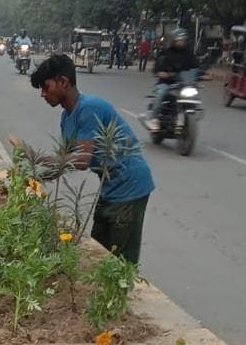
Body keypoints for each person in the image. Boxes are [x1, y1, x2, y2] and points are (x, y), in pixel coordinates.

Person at [31, 53, 154, 264]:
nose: (43, 94)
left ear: (63, 82)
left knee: (119, 261)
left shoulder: (90, 108)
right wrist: (32, 175)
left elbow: (80, 160)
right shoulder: (66, 117)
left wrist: (40, 161)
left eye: (46, 87)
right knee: (98, 252)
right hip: (109, 188)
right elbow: (65, 161)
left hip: (130, 187)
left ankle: (119, 296)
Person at [147, 27, 197, 131]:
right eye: (179, 39)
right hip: (166, 83)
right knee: (162, 92)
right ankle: (154, 119)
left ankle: (184, 115)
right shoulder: (165, 53)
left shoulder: (188, 54)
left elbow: (195, 66)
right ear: (174, 40)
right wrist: (161, 73)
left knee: (193, 93)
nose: (182, 42)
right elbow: (157, 68)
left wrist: (203, 74)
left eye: (183, 40)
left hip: (182, 84)